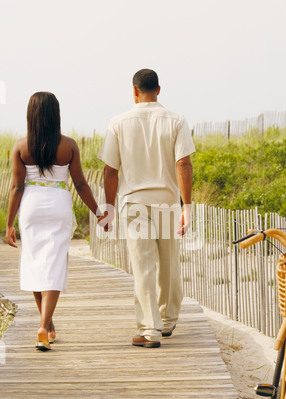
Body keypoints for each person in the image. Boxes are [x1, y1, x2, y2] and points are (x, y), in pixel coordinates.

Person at [98, 69, 195, 348]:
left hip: (134, 204)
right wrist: (186, 206)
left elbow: (110, 170)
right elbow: (183, 164)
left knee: (143, 267)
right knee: (168, 262)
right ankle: (167, 320)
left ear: (134, 91)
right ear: (159, 90)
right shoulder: (176, 120)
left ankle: (149, 330)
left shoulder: (118, 123)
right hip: (166, 202)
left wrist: (110, 207)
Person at [6, 91, 101, 351]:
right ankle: (44, 326)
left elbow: (16, 187)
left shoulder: (21, 146)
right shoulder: (69, 145)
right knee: (55, 263)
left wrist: (9, 224)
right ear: (55, 115)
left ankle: (46, 325)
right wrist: (98, 212)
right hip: (58, 202)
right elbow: (80, 184)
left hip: (31, 205)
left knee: (35, 260)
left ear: (31, 115)